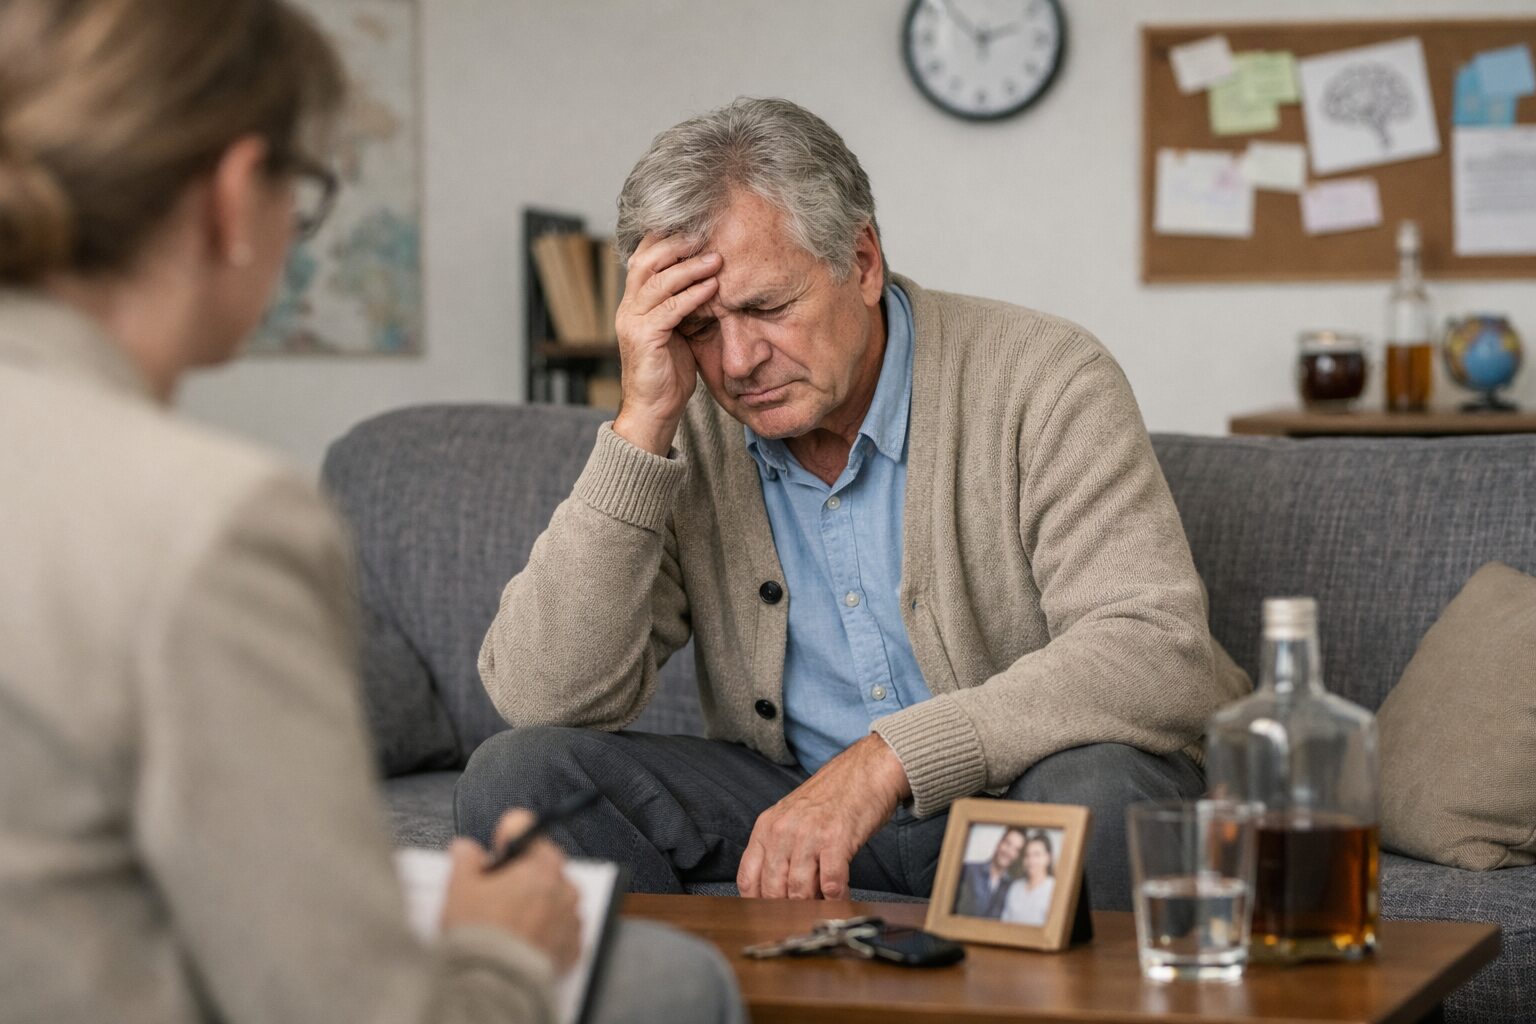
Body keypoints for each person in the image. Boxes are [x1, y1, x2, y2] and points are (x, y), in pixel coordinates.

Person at [0, 3, 740, 1023]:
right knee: (663, 985)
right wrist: (499, 946)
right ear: (229, 198)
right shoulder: (209, 521)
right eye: (299, 194)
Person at [460, 97, 1250, 911]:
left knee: (1101, 791)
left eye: (768, 308)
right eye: (699, 326)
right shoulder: (689, 423)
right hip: (792, 807)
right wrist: (640, 427)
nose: (737, 361)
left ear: (863, 262)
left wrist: (887, 760)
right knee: (520, 781)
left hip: (1014, 796)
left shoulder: (1046, 377)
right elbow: (543, 697)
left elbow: (1156, 649)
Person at [954, 828, 1026, 920]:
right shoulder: (969, 870)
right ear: (999, 843)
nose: (1009, 852)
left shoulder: (1012, 887)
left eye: (1016, 849)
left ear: (1017, 855)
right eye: (1008, 844)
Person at [1000, 831, 1057, 927]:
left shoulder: (1054, 889)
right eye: (1027, 855)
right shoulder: (1015, 887)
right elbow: (1004, 921)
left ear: (1048, 858)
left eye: (1037, 855)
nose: (1031, 860)